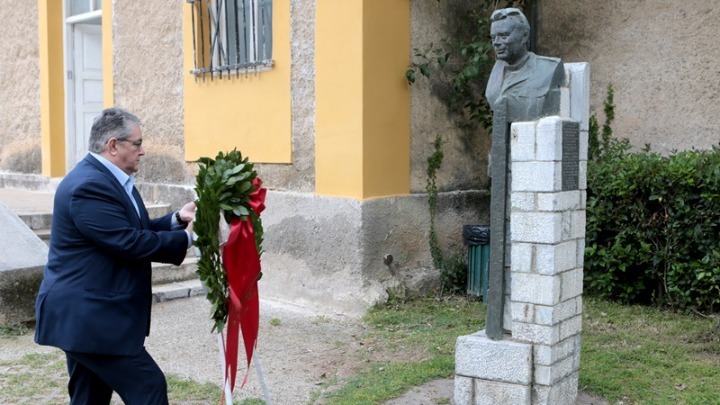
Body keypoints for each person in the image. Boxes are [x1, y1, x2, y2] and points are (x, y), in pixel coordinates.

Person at [34, 108, 196, 405]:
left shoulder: (107, 179)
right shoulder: (89, 185)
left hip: (89, 316)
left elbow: (132, 230)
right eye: (137, 143)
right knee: (148, 386)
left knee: (89, 397)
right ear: (113, 145)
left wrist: (175, 220)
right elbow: (127, 242)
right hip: (89, 317)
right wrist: (187, 238)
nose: (142, 151)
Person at [485, 8, 565, 122]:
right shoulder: (497, 70)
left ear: (524, 36)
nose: (496, 43)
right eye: (493, 38)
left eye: (504, 36)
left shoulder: (549, 68)